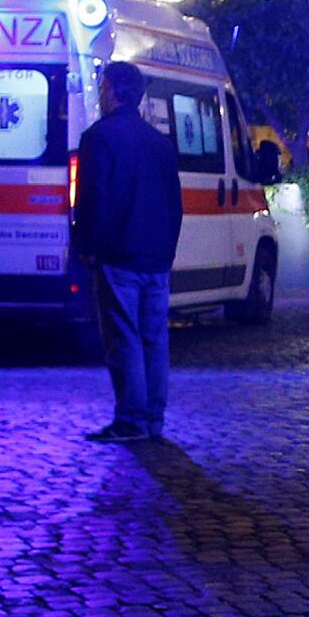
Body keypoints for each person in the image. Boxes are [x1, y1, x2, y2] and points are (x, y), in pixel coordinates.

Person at [72, 59, 183, 444]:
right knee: (154, 337)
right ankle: (153, 417)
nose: (102, 94)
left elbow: (93, 198)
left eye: (103, 88)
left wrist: (88, 247)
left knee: (124, 338)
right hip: (156, 256)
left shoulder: (98, 137)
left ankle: (131, 419)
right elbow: (174, 203)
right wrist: (167, 250)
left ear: (112, 92)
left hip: (118, 255)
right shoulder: (160, 143)